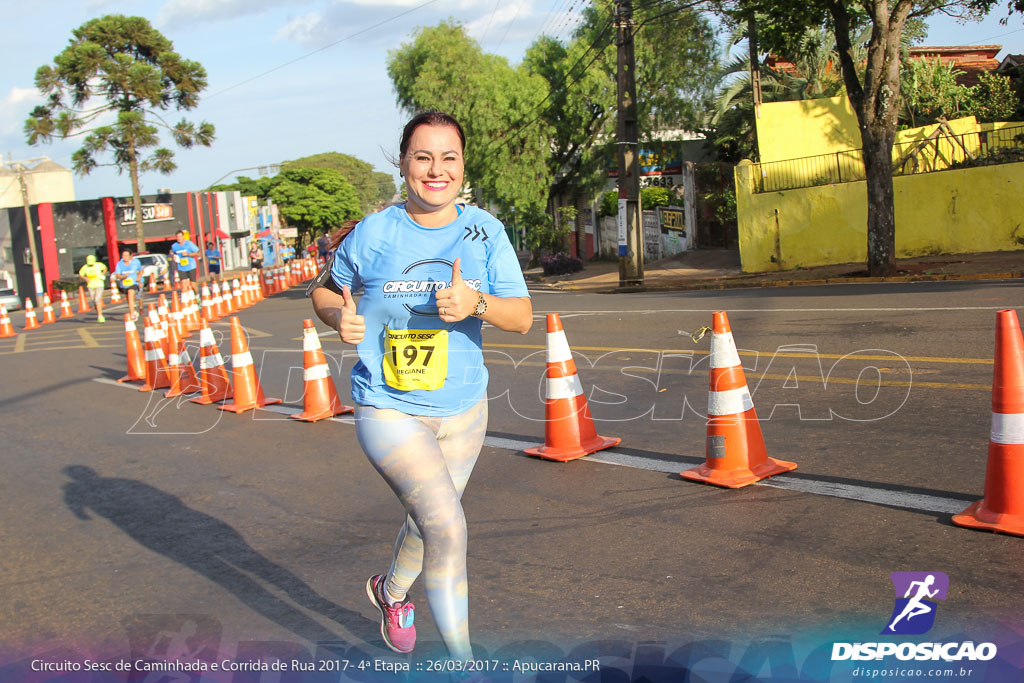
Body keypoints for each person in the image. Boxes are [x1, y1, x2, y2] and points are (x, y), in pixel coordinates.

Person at [310, 111, 532, 663]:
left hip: (464, 408)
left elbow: (522, 316)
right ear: (404, 163)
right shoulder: (374, 231)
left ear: (462, 166)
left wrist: (475, 304)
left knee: (426, 520)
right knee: (449, 529)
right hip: (388, 407)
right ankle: (464, 665)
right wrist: (339, 318)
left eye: (448, 157)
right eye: (423, 157)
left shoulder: (485, 231)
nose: (436, 170)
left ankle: (391, 593)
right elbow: (324, 290)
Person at [78, 254, 109, 323]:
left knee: (97, 299)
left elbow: (105, 268)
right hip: (91, 285)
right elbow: (81, 274)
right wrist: (85, 278)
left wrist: (102, 274)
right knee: (94, 300)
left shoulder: (98, 265)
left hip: (99, 284)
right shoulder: (85, 267)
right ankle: (98, 310)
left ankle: (100, 316)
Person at [113, 250, 143, 319]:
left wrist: (139, 278)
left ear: (130, 256)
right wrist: (124, 276)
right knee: (129, 298)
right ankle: (133, 308)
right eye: (123, 255)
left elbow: (141, 270)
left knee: (130, 293)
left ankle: (132, 314)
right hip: (124, 284)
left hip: (133, 283)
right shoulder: (119, 264)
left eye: (126, 255)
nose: (125, 257)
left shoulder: (135, 262)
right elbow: (117, 275)